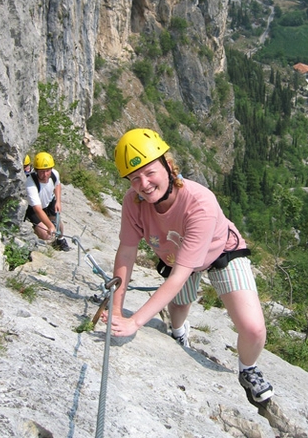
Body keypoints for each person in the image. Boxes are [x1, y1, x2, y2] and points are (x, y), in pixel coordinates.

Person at [103, 128, 273, 403]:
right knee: (179, 307)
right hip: (174, 254)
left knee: (253, 328)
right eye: (134, 178)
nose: (143, 184)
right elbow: (126, 253)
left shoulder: (199, 202)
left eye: (150, 173)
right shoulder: (133, 203)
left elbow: (179, 276)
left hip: (221, 251)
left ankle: (248, 369)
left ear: (168, 166)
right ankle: (179, 332)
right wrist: (118, 308)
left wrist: (135, 321)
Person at [25, 152, 70, 251]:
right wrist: (49, 226)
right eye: (41, 171)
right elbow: (37, 209)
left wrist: (58, 201)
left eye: (47, 171)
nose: (45, 174)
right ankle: (35, 229)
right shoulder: (30, 183)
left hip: (49, 201)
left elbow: (57, 185)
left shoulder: (54, 174)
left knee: (58, 223)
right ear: (36, 170)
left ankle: (60, 239)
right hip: (34, 208)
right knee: (46, 234)